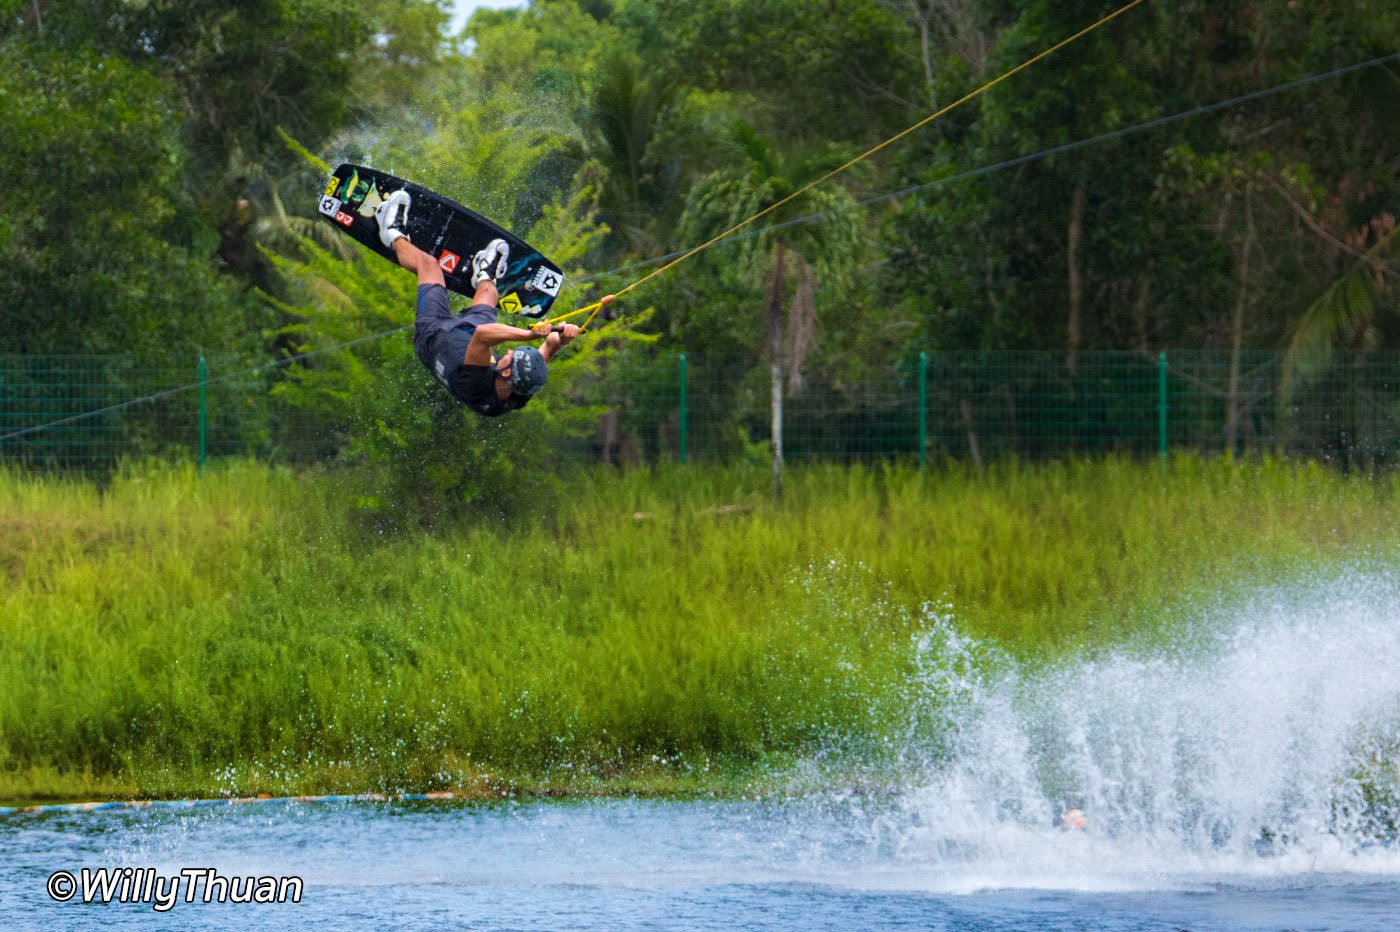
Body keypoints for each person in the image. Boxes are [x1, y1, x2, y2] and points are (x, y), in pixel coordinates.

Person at [374, 189, 580, 417]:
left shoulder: (475, 387)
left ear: (504, 372)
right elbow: (548, 348)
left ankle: (392, 234)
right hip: (468, 336)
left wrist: (528, 335)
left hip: (434, 335)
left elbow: (483, 334)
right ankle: (483, 271)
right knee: (490, 291)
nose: (508, 352)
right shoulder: (518, 390)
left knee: (429, 264)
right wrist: (562, 338)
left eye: (510, 357)